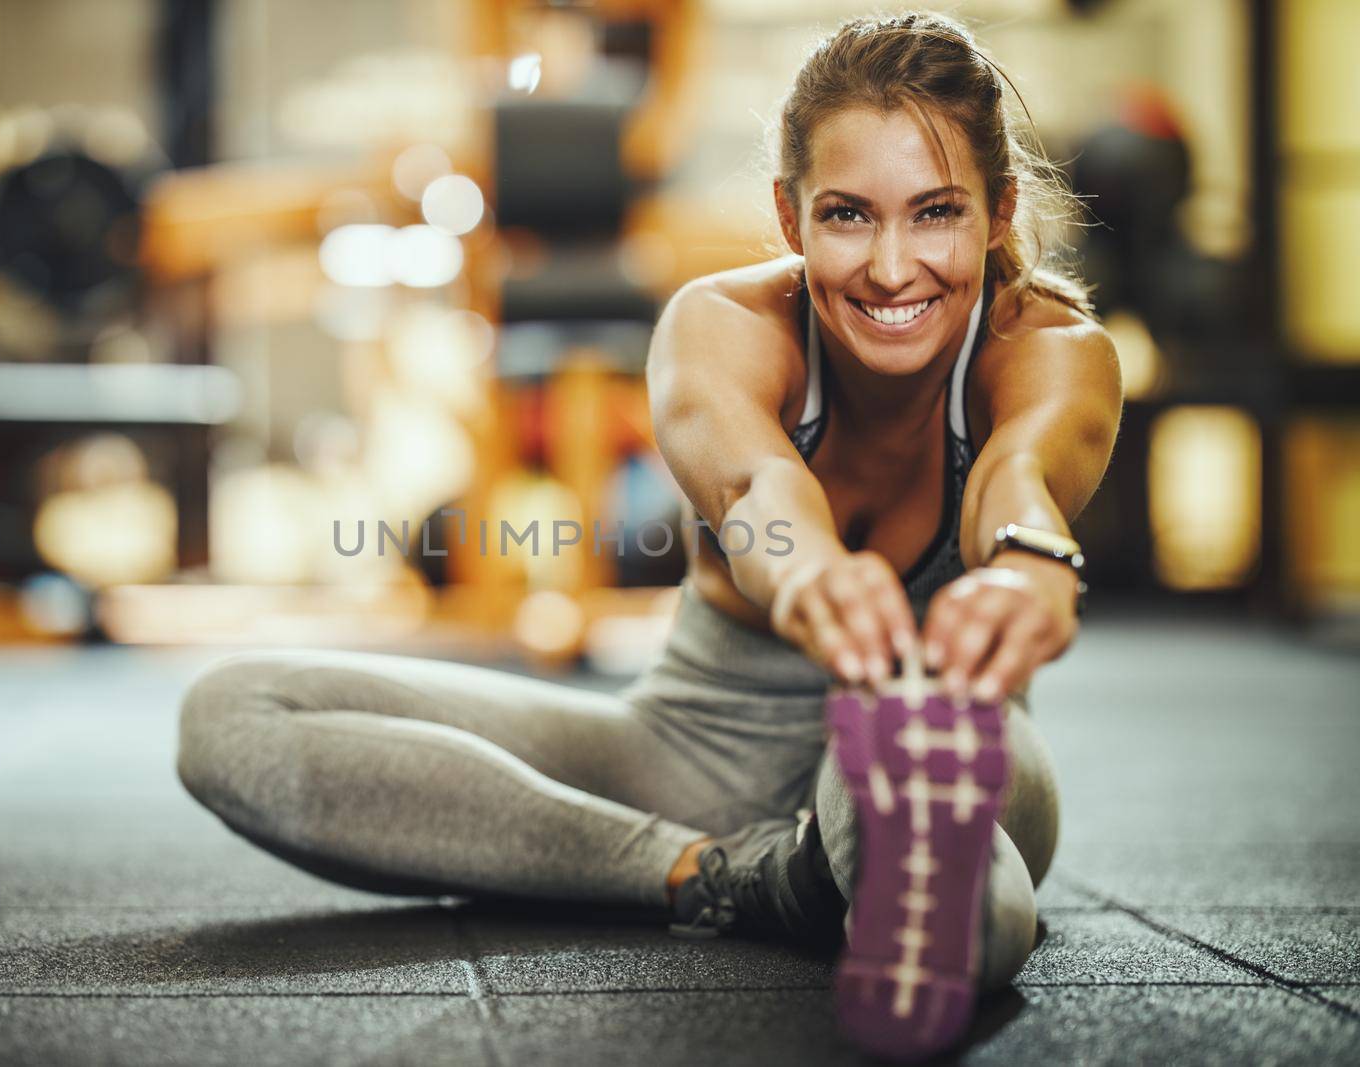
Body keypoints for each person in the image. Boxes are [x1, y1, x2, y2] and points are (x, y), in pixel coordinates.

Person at [176, 10, 1120, 1059]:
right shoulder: (722, 326)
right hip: (685, 755)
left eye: (934, 214)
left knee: (895, 764)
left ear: (999, 212)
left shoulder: (1049, 348)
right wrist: (805, 573)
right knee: (234, 712)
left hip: (927, 733)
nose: (891, 267)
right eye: (848, 215)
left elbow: (1017, 474)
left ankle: (895, 872)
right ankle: (719, 873)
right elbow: (758, 482)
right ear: (789, 213)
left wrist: (1029, 566)